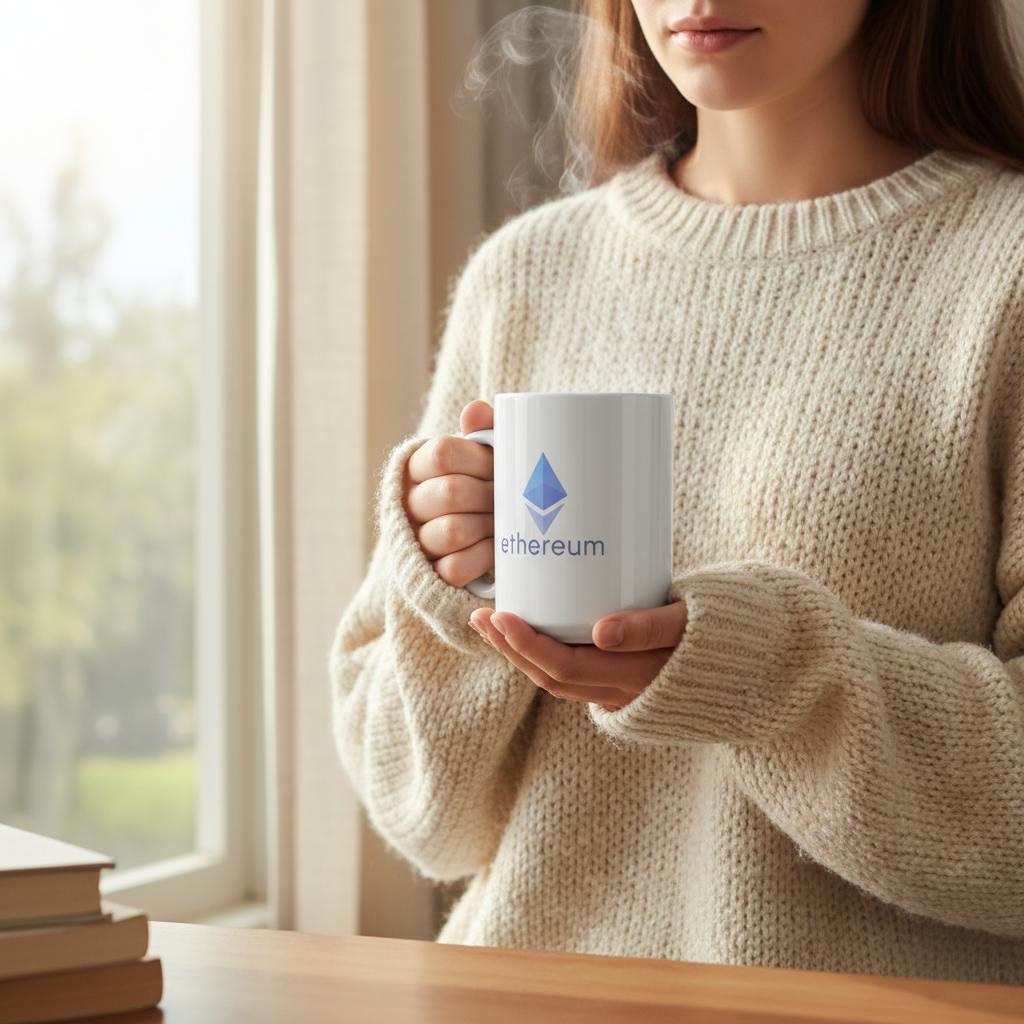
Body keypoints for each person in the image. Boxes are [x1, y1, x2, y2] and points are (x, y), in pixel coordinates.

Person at [328, 0, 1024, 985]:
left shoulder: (1004, 274)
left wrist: (756, 673)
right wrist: (444, 589)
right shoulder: (525, 275)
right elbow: (422, 815)